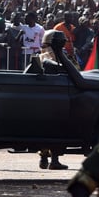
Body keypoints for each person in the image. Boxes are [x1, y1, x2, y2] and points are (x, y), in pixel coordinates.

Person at [34, 29, 76, 170]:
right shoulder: (58, 57)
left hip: (40, 97)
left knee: (44, 128)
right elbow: (75, 72)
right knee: (57, 128)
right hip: (57, 95)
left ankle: (44, 157)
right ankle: (55, 159)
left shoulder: (38, 57)